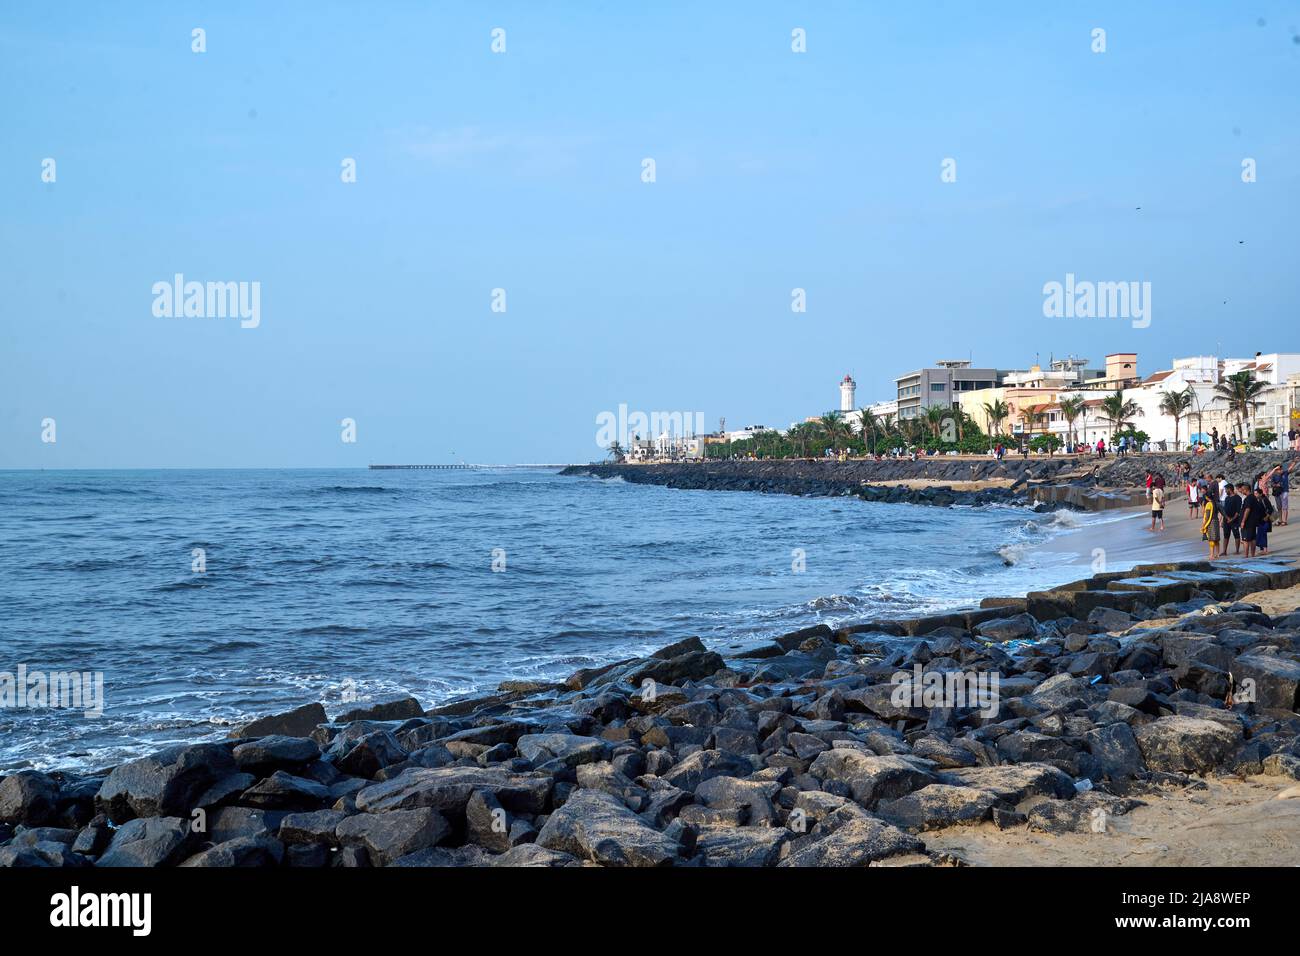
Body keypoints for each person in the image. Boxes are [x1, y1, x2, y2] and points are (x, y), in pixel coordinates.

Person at [1239, 482, 1265, 557]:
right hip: (1253, 522)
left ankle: (1246, 555)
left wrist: (1243, 521)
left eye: (1242, 490)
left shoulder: (1249, 498)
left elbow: (1247, 509)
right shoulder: (1254, 497)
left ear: (1246, 490)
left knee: (1246, 540)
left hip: (1248, 522)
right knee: (1253, 538)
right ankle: (1252, 555)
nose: (1241, 491)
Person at [1220, 482, 1242, 555]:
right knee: (1226, 535)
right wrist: (1224, 520)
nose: (1225, 491)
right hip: (1226, 519)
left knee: (1236, 535)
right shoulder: (1227, 498)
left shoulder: (1237, 498)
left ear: (1230, 489)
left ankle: (1237, 551)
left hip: (1234, 520)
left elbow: (1238, 511)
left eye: (1226, 489)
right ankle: (1224, 551)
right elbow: (1225, 510)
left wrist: (1232, 519)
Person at [1201, 493, 1220, 558]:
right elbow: (1222, 511)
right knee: (1216, 539)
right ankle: (1217, 554)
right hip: (1216, 521)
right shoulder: (1216, 503)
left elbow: (1207, 516)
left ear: (1206, 497)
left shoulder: (1209, 504)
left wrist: (1203, 525)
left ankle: (1212, 555)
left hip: (1211, 523)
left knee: (1211, 539)